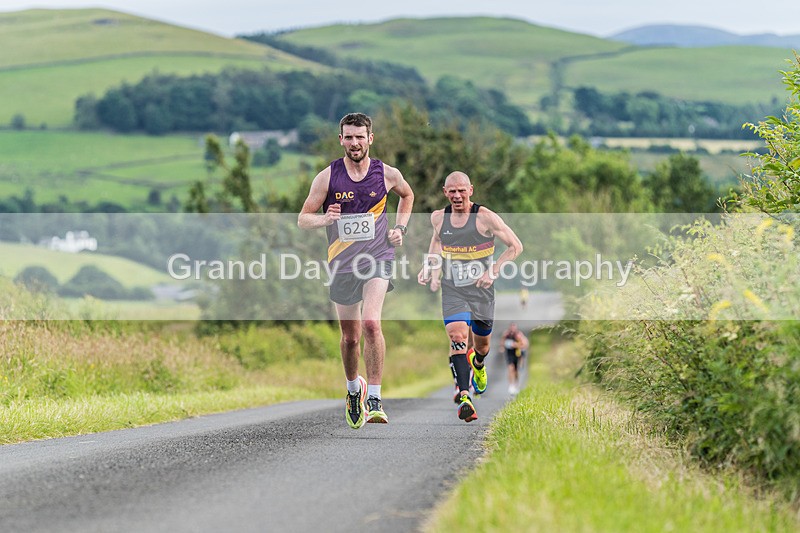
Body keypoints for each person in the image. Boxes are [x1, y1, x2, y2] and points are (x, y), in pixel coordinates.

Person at [298, 112, 414, 429]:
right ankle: (354, 389)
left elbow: (408, 195)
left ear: (370, 139)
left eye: (359, 137)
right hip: (342, 264)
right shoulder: (327, 177)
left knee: (371, 323)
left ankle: (374, 397)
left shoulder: (387, 174)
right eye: (348, 137)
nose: (354, 143)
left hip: (378, 257)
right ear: (341, 140)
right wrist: (324, 219)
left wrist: (400, 229)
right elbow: (303, 218)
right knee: (350, 339)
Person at [417, 171, 522, 422]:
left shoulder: (485, 218)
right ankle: (465, 395)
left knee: (481, 346)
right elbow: (436, 242)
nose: (457, 196)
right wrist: (430, 266)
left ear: (471, 190)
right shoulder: (438, 218)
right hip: (453, 288)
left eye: (462, 190)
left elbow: (515, 246)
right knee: (457, 336)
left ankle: (479, 363)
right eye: (451, 191)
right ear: (445, 192)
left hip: (482, 291)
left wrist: (493, 271)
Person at [501, 322, 529, 396]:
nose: (513, 330)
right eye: (511, 328)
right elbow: (503, 342)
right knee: (510, 369)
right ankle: (511, 385)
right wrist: (503, 347)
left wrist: (515, 345)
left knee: (516, 370)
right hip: (509, 354)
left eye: (514, 328)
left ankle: (516, 384)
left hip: (517, 354)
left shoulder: (519, 335)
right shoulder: (506, 334)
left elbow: (525, 344)